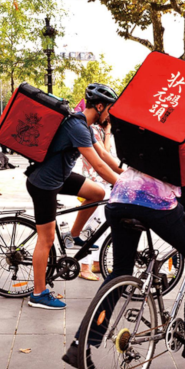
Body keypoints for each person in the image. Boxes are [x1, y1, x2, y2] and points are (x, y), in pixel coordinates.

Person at [62, 119, 185, 366]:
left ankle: (81, 344)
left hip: (119, 197)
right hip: (157, 203)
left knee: (120, 272)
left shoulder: (154, 121)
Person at [26, 83, 123, 310]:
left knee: (98, 192)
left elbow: (104, 155)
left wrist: (123, 173)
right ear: (100, 106)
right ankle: (38, 293)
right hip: (43, 184)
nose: (110, 115)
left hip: (59, 177)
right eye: (110, 109)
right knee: (46, 238)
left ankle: (73, 235)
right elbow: (97, 164)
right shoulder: (76, 126)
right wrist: (122, 186)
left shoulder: (85, 126)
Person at [77, 117, 115, 281]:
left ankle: (96, 263)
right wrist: (108, 131)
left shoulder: (102, 130)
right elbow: (104, 156)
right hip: (93, 183)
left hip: (103, 182)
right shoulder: (93, 130)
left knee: (102, 225)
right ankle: (84, 267)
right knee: (91, 225)